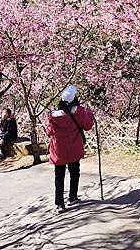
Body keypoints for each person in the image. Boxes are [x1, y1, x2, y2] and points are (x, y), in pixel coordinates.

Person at [45, 85, 94, 214]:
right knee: (74, 173)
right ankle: (72, 197)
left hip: (58, 150)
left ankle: (59, 204)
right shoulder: (79, 111)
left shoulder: (53, 115)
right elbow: (88, 126)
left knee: (59, 177)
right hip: (74, 148)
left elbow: (49, 132)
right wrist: (89, 113)